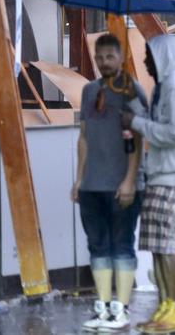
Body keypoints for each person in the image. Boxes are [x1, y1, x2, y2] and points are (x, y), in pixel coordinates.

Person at [121, 35, 175, 334]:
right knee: (155, 245)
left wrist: (137, 123)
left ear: (162, 58)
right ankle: (165, 304)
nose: (144, 63)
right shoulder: (164, 88)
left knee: (165, 246)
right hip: (161, 174)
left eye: (149, 57)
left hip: (174, 175)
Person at [72, 34, 147, 332]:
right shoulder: (89, 91)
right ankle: (102, 306)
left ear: (120, 58)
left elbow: (139, 136)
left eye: (109, 57)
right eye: (99, 57)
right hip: (92, 184)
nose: (104, 62)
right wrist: (79, 179)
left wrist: (130, 179)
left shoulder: (131, 90)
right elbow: (83, 137)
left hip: (123, 185)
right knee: (98, 246)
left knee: (122, 245)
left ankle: (122, 307)